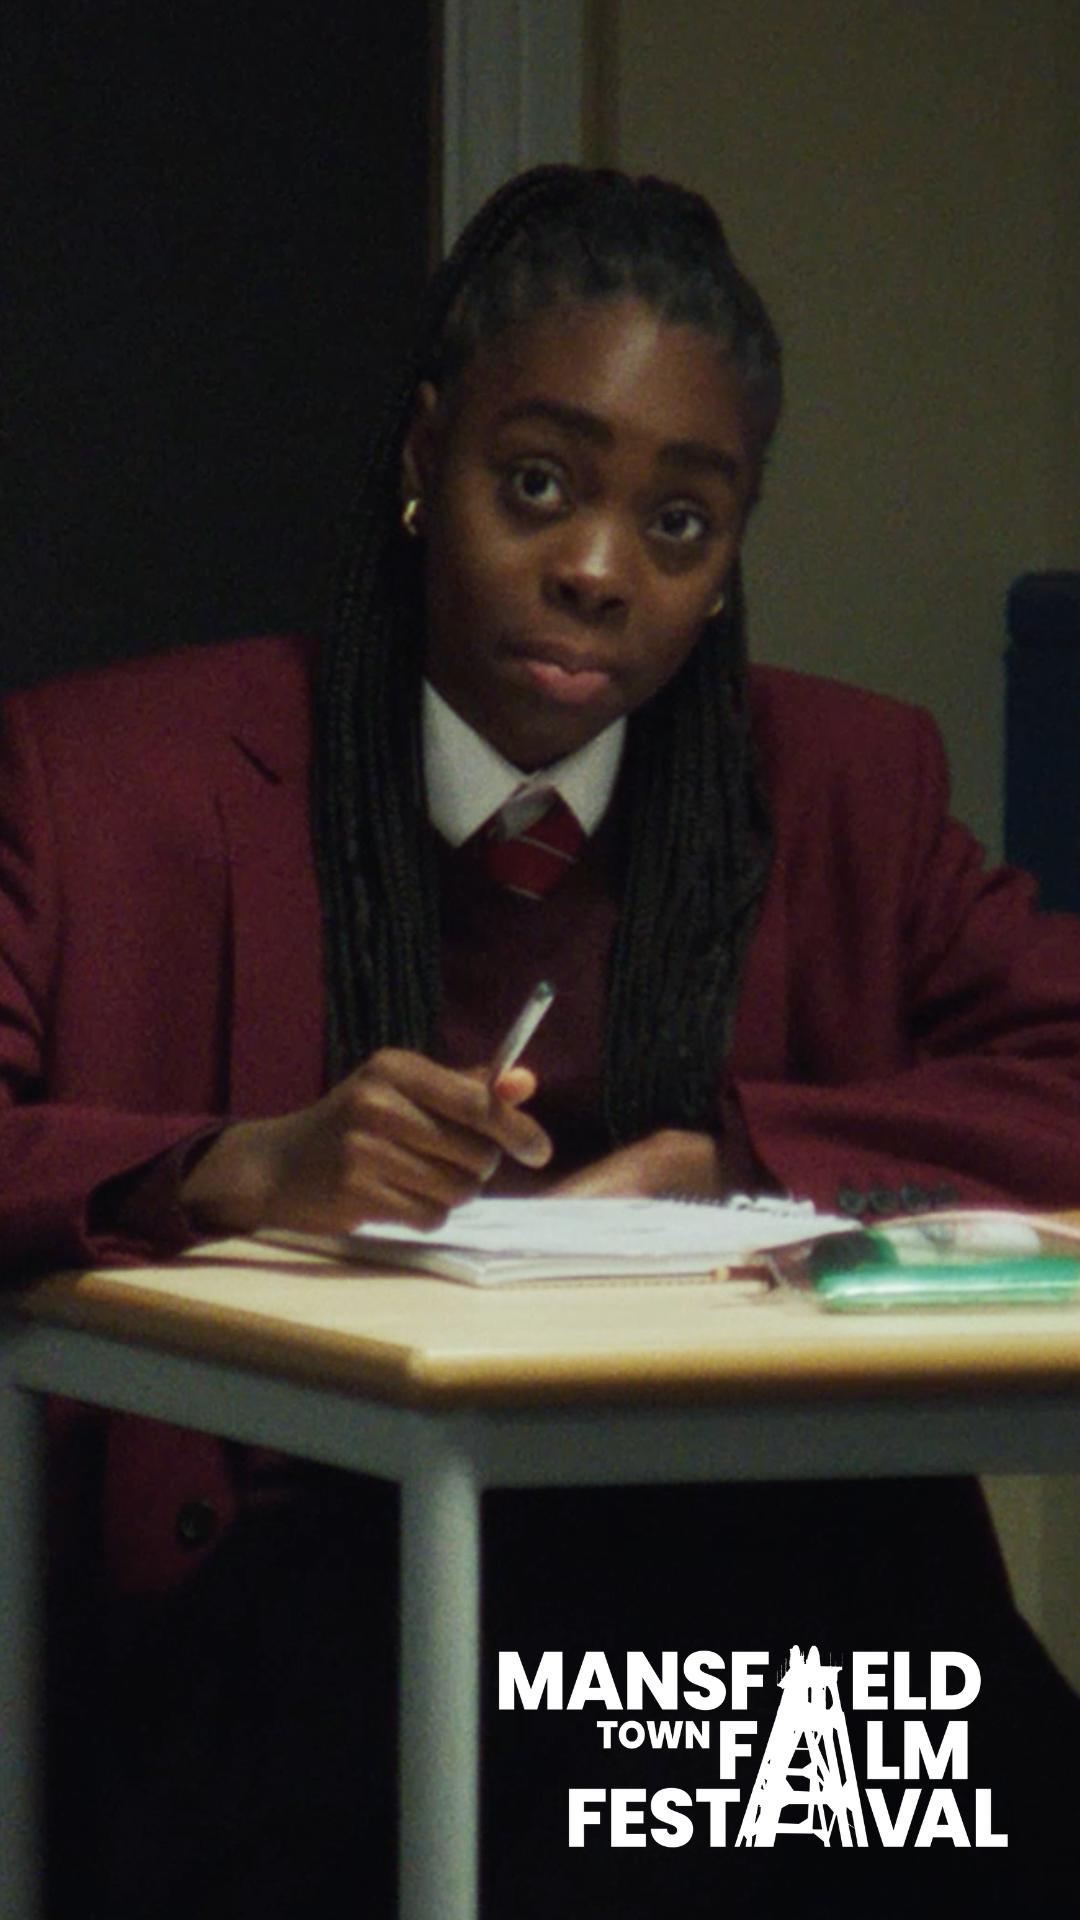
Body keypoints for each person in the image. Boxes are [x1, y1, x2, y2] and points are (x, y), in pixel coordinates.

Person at [4, 165, 1080, 1916]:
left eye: (679, 525)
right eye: (538, 485)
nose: (596, 570)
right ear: (425, 461)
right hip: (292, 1617)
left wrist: (745, 1166)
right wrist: (236, 1168)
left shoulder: (842, 789)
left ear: (730, 567)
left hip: (755, 1591)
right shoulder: (117, 780)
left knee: (960, 1755)